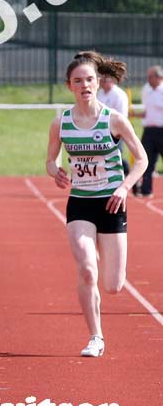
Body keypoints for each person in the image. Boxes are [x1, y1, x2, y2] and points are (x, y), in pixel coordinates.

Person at [45, 52, 147, 358]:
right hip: (80, 204)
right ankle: (96, 337)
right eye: (78, 81)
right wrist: (56, 172)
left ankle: (101, 312)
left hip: (112, 204)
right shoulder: (61, 122)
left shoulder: (114, 120)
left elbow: (141, 159)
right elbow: (50, 160)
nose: (85, 85)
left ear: (98, 82)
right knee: (87, 269)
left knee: (114, 285)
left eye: (89, 79)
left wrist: (124, 187)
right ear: (69, 86)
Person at [132, 65, 163, 197]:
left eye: (151, 76)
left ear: (159, 77)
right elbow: (147, 112)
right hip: (149, 131)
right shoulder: (146, 90)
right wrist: (135, 114)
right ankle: (146, 190)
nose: (148, 79)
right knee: (146, 161)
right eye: (148, 76)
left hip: (162, 130)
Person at [96, 66, 130, 174]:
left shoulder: (119, 94)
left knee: (116, 155)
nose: (101, 82)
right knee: (103, 156)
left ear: (111, 81)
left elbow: (122, 114)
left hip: (115, 130)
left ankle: (130, 176)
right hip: (101, 130)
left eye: (103, 80)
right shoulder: (100, 93)